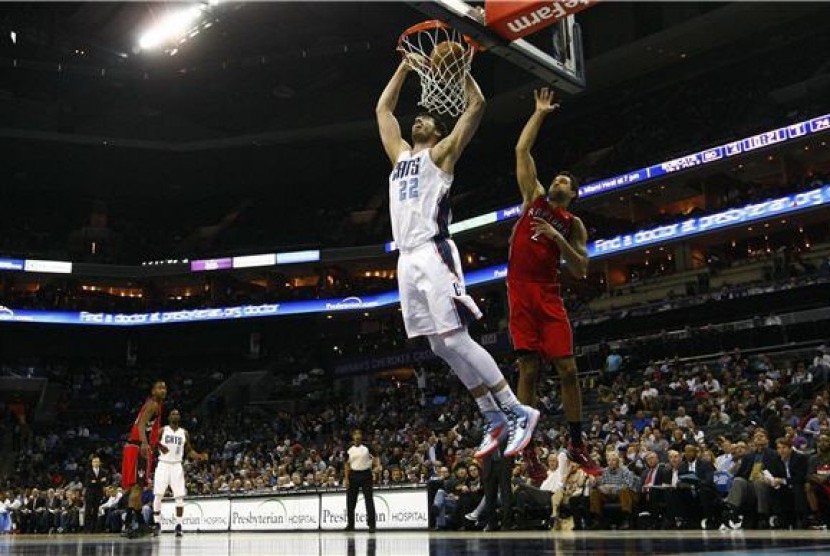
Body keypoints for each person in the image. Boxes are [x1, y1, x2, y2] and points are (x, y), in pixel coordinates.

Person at [376, 54, 537, 459]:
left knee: (455, 337)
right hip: (405, 258)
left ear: (439, 130)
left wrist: (457, 70)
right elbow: (383, 110)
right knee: (437, 345)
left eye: (426, 119)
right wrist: (402, 69)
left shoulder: (442, 154)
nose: (418, 121)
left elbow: (477, 106)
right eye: (416, 118)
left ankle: (518, 411)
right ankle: (492, 416)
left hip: (433, 250)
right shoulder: (400, 158)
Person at [510, 87, 599, 474]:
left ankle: (577, 443)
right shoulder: (535, 198)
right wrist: (539, 114)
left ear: (574, 193)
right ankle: (527, 445)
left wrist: (558, 238)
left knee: (568, 369)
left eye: (566, 179)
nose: (559, 179)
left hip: (548, 293)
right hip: (519, 289)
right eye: (558, 176)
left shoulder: (572, 223)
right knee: (528, 369)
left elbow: (581, 269)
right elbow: (521, 152)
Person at [151, 409, 208, 537]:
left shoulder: (184, 433)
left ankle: (179, 525)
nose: (176, 415)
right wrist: (160, 447)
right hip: (163, 464)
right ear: (169, 417)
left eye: (177, 414)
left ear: (179, 418)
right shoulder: (162, 430)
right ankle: (157, 524)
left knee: (179, 496)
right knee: (158, 495)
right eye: (173, 414)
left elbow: (188, 450)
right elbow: (152, 442)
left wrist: (199, 456)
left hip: (177, 465)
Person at [121, 380, 166, 538]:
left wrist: (157, 444)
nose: (163, 390)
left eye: (165, 388)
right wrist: (146, 444)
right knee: (137, 489)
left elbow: (147, 428)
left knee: (136, 489)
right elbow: (141, 425)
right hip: (138, 449)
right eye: (160, 388)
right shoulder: (153, 405)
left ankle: (138, 524)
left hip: (134, 447)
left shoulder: (153, 405)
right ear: (153, 391)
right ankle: (129, 525)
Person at [344, 429, 377, 532]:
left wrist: (377, 466)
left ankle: (372, 524)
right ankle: (350, 524)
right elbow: (346, 464)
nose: (357, 436)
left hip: (366, 474)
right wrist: (346, 478)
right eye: (355, 434)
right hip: (353, 475)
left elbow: (376, 457)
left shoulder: (367, 447)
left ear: (361, 436)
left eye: (359, 434)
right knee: (350, 501)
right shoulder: (349, 448)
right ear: (353, 437)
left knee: (369, 500)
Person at [83, 456, 109, 532]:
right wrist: (99, 481)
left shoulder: (103, 472)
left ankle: (94, 528)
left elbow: (104, 482)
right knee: (88, 512)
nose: (96, 463)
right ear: (92, 463)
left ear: (100, 463)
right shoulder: (88, 472)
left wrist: (95, 481)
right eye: (94, 462)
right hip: (90, 494)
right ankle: (86, 528)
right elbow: (88, 483)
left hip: (98, 494)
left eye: (97, 461)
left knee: (95, 511)